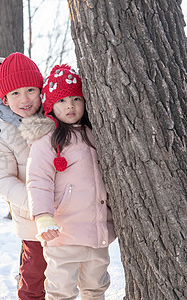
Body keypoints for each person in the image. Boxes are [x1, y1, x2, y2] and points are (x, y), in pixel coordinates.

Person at [23, 64, 116, 300]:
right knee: (61, 290)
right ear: (51, 105)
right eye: (62, 100)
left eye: (76, 98)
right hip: (63, 233)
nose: (70, 105)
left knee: (95, 288)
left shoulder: (94, 133)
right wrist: (43, 216)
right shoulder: (47, 139)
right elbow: (38, 180)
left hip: (96, 231)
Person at [0, 52, 47, 300]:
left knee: (66, 273)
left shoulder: (56, 117)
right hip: (31, 217)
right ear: (5, 98)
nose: (25, 99)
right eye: (15, 93)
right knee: (34, 274)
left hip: (68, 212)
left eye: (31, 89)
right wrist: (36, 202)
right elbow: (1, 179)